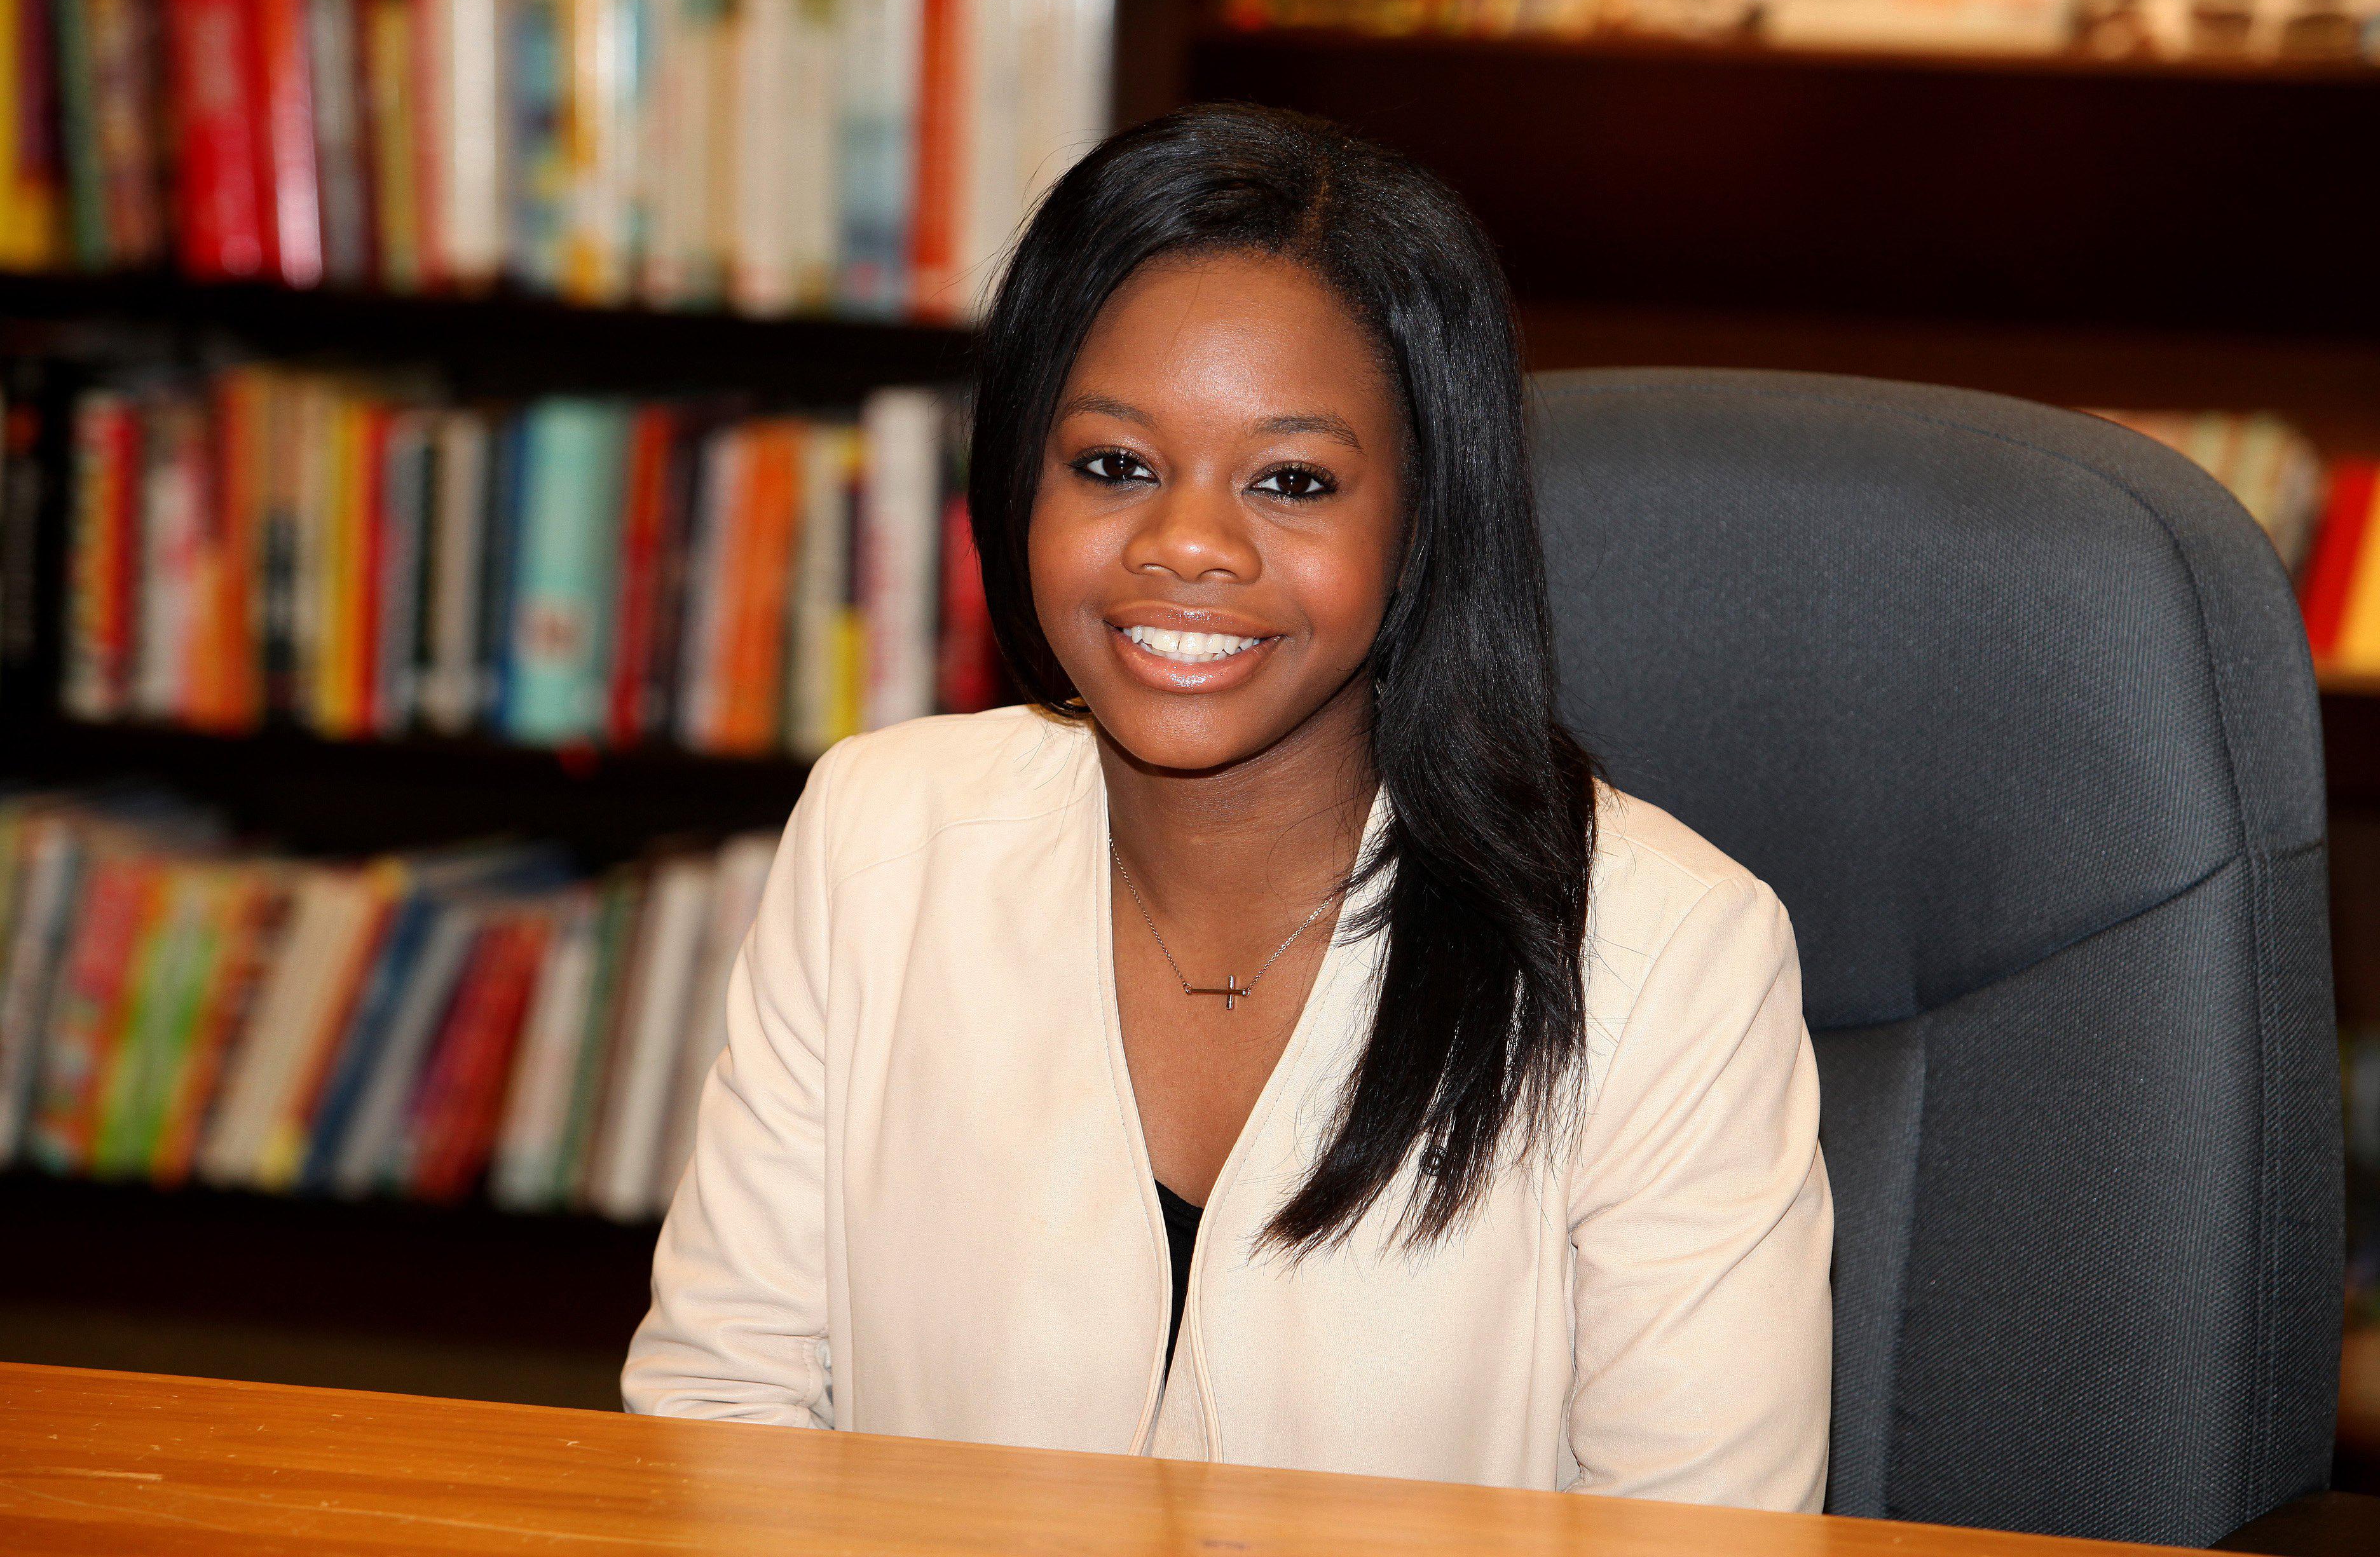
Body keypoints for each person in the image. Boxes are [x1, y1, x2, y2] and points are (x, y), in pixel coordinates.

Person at [622, 102, 1832, 1509]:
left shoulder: (1670, 957)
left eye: (1292, 481)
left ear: (1423, 521)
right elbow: (721, 1419)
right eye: (1115, 465)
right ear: (1019, 474)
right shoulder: (880, 838)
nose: (1187, 543)